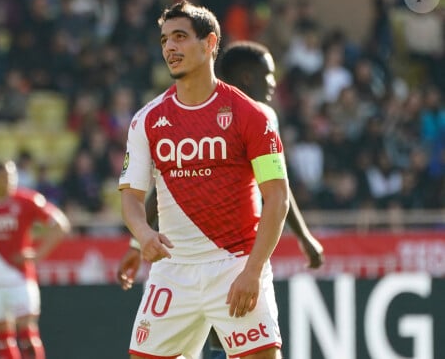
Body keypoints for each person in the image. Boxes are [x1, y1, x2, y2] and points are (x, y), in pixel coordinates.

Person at [117, 40, 325, 358]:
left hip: (235, 250)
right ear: (246, 77)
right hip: (194, 256)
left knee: (231, 338)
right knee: (213, 341)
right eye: (267, 75)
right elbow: (165, 189)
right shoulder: (205, 113)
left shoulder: (259, 117)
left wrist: (303, 236)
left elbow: (277, 191)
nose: (272, 83)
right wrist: (137, 243)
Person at [0, 161, 71, 359]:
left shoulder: (28, 200)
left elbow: (60, 224)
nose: (9, 181)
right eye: (4, 176)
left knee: (27, 334)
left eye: (12, 176)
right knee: (3, 338)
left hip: (20, 277)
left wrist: (38, 254)